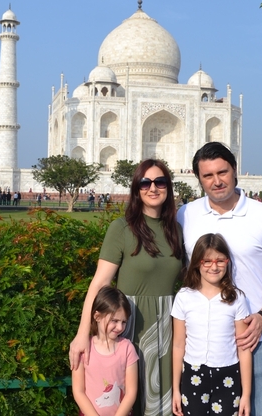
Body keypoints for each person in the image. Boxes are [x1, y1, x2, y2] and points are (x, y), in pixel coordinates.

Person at [177, 142, 262, 416]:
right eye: (208, 175)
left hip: (253, 337)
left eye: (223, 172)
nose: (217, 181)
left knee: (260, 410)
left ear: (234, 171)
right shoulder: (186, 215)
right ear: (199, 179)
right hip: (203, 341)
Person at [70, 159, 184, 415]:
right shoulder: (122, 229)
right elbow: (100, 283)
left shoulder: (175, 230)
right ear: (136, 188)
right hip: (128, 322)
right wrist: (81, 334)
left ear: (168, 187)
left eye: (160, 181)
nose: (153, 188)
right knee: (123, 400)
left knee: (159, 400)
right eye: (145, 182)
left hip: (166, 325)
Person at [171, 233, 252, 416]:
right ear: (197, 263)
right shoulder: (184, 297)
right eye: (206, 261)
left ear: (227, 261)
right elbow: (178, 345)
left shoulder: (237, 299)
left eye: (220, 261)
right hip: (193, 376)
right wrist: (176, 389)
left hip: (228, 376)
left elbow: (244, 349)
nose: (213, 267)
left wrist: (246, 394)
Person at [72, 286, 139, 416]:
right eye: (114, 321)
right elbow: (78, 391)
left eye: (124, 322)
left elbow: (131, 393)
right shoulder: (83, 349)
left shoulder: (127, 348)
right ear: (97, 316)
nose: (120, 327)